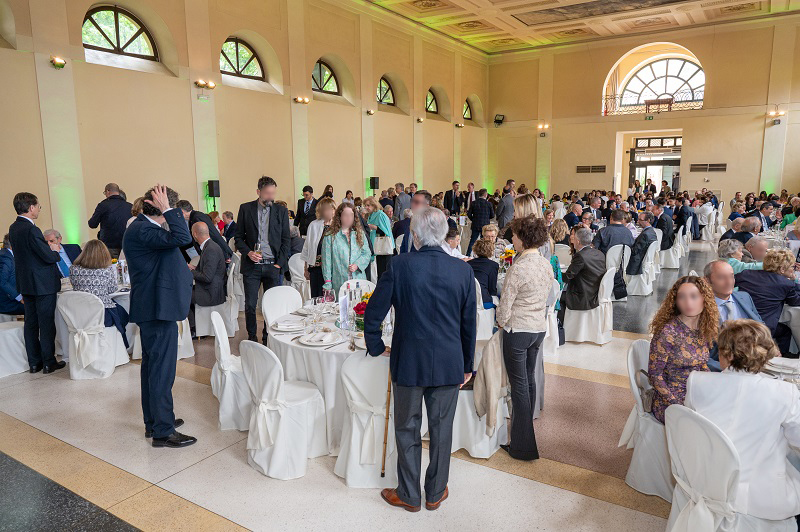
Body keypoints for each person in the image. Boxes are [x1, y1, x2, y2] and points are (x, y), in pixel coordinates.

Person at [364, 207, 475, 513]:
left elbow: (373, 313)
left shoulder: (400, 266)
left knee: (407, 428)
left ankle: (410, 494)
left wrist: (375, 346)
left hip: (409, 360)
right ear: (444, 236)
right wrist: (467, 365)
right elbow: (469, 324)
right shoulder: (463, 270)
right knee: (442, 430)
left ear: (414, 235)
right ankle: (435, 492)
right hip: (448, 362)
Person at [684, 320, 800, 529]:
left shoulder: (696, 382)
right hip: (762, 498)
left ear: (725, 353)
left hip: (708, 484)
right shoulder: (785, 393)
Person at [123, 185, 195, 448]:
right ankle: (162, 431)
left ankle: (155, 421)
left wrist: (167, 212)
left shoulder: (145, 228)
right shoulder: (143, 229)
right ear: (163, 209)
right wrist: (169, 210)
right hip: (156, 308)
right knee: (162, 370)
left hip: (156, 306)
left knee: (153, 368)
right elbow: (182, 238)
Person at [495, 216, 552, 461]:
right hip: (538, 329)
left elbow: (505, 306)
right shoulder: (545, 264)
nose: (513, 240)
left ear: (524, 238)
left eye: (515, 236)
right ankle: (523, 438)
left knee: (518, 386)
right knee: (528, 382)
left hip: (518, 330)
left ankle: (522, 445)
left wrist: (500, 321)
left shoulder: (519, 267)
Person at [647, 276, 717, 424]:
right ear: (675, 301)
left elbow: (701, 364)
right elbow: (655, 376)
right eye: (682, 297)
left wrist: (713, 384)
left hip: (695, 393)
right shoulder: (668, 333)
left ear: (704, 299)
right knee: (708, 425)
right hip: (670, 400)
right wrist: (677, 404)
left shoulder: (704, 327)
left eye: (694, 296)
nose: (688, 303)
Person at [8, 193, 65, 374]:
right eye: (38, 206)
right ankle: (48, 361)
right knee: (46, 322)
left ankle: (34, 362)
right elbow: (45, 256)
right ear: (31, 207)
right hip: (42, 283)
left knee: (31, 323)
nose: (39, 209)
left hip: (26, 282)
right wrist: (55, 251)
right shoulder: (32, 229)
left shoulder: (13, 228)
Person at [235, 176, 291, 344]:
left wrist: (279, 263)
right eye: (267, 193)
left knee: (271, 305)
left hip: (272, 265)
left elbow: (286, 240)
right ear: (259, 192)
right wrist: (248, 253)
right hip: (252, 266)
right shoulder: (245, 209)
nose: (270, 197)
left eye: (273, 193)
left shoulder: (280, 211)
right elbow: (238, 238)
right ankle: (252, 337)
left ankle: (268, 336)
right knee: (251, 305)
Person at [735, 249, 800, 355]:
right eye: (792, 267)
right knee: (786, 331)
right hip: (763, 328)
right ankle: (782, 357)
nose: (794, 270)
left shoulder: (746, 274)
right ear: (782, 269)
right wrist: (792, 281)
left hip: (741, 324)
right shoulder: (785, 284)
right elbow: (795, 301)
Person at [703, 260, 763, 371]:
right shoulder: (699, 308)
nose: (729, 282)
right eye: (721, 278)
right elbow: (698, 353)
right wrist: (728, 369)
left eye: (731, 276)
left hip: (754, 364)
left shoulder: (744, 297)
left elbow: (760, 326)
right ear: (707, 281)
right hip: (718, 369)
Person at [69, 239, 129, 348]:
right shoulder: (107, 270)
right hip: (102, 314)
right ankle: (121, 346)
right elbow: (112, 289)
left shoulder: (74, 269)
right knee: (124, 314)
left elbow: (74, 286)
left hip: (80, 314)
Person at [321, 203, 372, 295]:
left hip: (358, 279)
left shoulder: (359, 234)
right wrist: (327, 282)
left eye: (351, 215)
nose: (348, 218)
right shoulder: (330, 236)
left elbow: (367, 253)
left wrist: (357, 264)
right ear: (339, 216)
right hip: (339, 281)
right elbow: (326, 261)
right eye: (345, 215)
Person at [557, 227, 605, 323]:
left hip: (583, 295)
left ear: (578, 241)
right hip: (595, 292)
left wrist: (555, 272)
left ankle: (564, 326)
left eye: (574, 239)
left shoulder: (581, 256)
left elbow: (567, 277)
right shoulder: (599, 253)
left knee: (558, 298)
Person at [187, 223, 226, 338]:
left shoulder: (210, 249)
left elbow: (207, 277)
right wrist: (194, 268)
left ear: (194, 234)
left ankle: (194, 329)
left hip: (211, 292)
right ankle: (195, 326)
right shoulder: (210, 245)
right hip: (212, 287)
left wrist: (190, 272)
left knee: (182, 296)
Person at [301, 197, 336, 299]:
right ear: (321, 211)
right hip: (315, 267)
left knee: (330, 297)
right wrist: (306, 268)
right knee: (316, 297)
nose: (329, 212)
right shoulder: (314, 225)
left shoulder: (337, 226)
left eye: (331, 209)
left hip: (332, 269)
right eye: (326, 209)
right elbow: (307, 246)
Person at [87, 182, 133, 259]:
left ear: (108, 191)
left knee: (110, 268)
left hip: (109, 245)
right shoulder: (130, 206)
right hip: (127, 245)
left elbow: (92, 224)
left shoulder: (103, 205)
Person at [363, 196, 393, 279]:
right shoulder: (371, 215)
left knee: (383, 273)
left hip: (383, 247)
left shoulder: (380, 214)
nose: (366, 207)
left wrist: (374, 227)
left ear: (374, 205)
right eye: (365, 205)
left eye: (368, 205)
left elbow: (386, 232)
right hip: (376, 246)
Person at [0, 234, 24, 317]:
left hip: (12, 298)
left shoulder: (9, 255)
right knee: (38, 307)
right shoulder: (4, 257)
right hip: (6, 303)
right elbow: (2, 282)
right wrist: (20, 298)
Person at [469, 238, 498, 308]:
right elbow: (492, 289)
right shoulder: (493, 265)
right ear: (491, 251)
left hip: (468, 299)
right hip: (483, 300)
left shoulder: (468, 263)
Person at [626, 211, 656, 276]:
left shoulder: (645, 235)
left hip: (637, 263)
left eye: (640, 220)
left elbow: (635, 251)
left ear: (648, 220)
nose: (638, 221)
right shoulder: (651, 231)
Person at [466, 189, 494, 257]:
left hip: (475, 224)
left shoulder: (473, 203)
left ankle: (468, 255)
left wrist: (474, 219)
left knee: (472, 241)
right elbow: (492, 215)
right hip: (485, 225)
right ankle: (485, 255)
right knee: (485, 241)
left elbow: (469, 214)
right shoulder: (489, 204)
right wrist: (487, 218)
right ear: (485, 195)